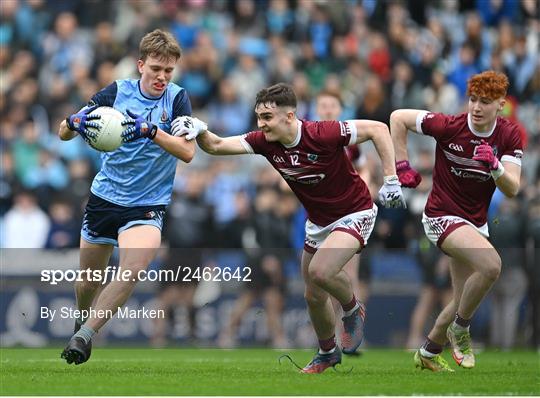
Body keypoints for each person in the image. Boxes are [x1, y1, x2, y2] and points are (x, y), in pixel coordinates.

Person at [172, 83, 406, 373]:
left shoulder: (323, 132)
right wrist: (200, 128)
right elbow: (217, 146)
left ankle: (351, 308)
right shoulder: (264, 141)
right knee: (312, 295)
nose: (261, 124)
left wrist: (391, 179)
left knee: (321, 271)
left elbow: (379, 129)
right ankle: (327, 352)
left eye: (267, 117)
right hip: (318, 222)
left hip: (355, 212)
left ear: (290, 116)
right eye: (259, 117)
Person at [57, 29, 195, 364]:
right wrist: (74, 122)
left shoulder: (177, 100)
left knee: (133, 267)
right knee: (89, 281)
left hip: (147, 204)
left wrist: (151, 131)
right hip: (105, 198)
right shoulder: (117, 91)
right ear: (140, 65)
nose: (162, 77)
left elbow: (187, 152)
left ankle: (84, 335)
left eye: (168, 71)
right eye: (156, 69)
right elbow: (63, 131)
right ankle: (83, 317)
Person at [390, 70, 523, 371]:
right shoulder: (449, 125)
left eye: (485, 102)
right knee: (491, 266)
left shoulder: (508, 135)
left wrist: (496, 167)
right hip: (440, 215)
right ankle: (461, 331)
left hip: (474, 223)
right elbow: (398, 118)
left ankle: (428, 350)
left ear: (500, 104)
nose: (476, 107)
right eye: (473, 99)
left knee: (461, 298)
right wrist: (401, 165)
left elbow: (512, 188)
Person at [315, 90, 372, 345]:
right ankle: (327, 335)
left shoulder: (348, 139)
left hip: (348, 216)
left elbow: (363, 168)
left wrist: (366, 185)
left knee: (348, 275)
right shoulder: (309, 135)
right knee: (317, 279)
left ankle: (350, 334)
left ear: (339, 109)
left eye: (332, 105)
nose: (327, 109)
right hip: (317, 218)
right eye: (323, 105)